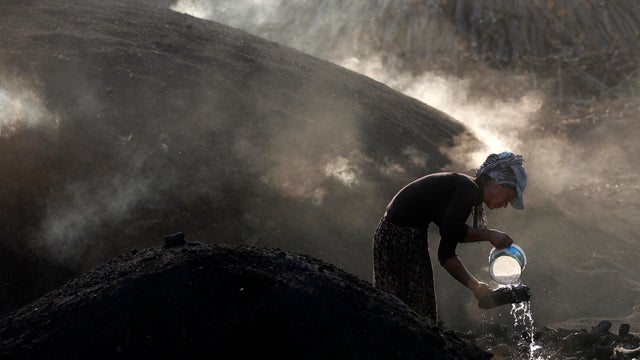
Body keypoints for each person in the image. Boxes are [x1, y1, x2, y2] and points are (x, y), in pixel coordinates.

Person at [372, 152, 527, 325]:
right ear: (498, 184)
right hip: (398, 238)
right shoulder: (468, 189)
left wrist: (476, 287)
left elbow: (446, 255)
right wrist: (489, 234)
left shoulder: (468, 190)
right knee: (406, 310)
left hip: (399, 236)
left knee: (413, 309)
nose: (505, 204)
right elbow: (450, 229)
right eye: (509, 196)